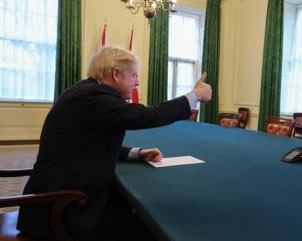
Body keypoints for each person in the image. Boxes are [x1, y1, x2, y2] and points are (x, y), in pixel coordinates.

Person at [17, 46, 212, 240]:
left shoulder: (86, 91)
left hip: (58, 198)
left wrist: (136, 153)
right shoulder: (93, 97)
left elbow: (89, 143)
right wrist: (195, 95)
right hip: (63, 208)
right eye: (134, 75)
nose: (137, 82)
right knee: (153, 229)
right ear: (116, 74)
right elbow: (151, 115)